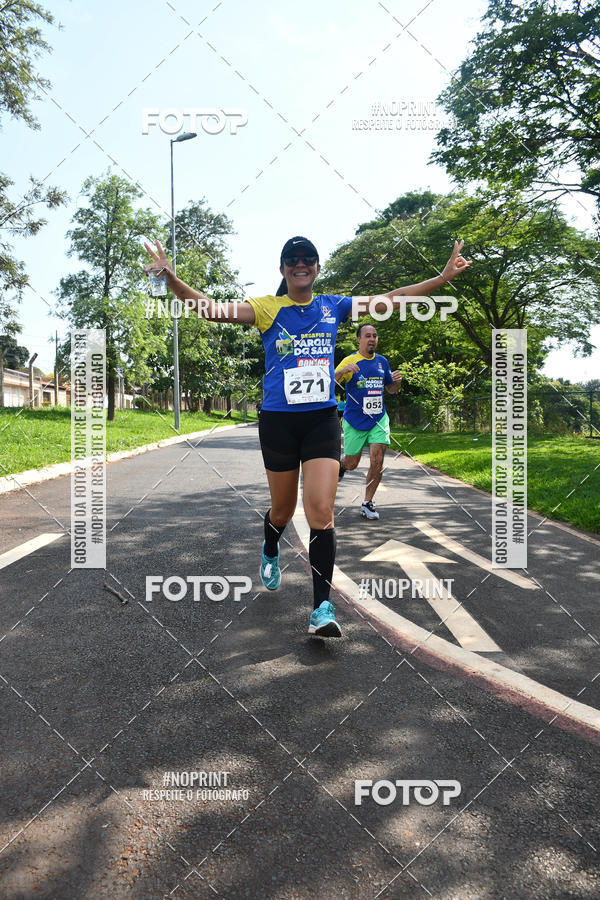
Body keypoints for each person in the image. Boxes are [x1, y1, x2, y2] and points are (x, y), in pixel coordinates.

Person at [144, 236, 471, 637]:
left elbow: (394, 298)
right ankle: (269, 547)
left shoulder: (334, 306)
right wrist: (171, 278)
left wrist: (440, 278)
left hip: (321, 420)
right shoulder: (268, 308)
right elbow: (211, 310)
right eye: (293, 260)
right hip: (279, 422)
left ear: (317, 267)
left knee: (321, 512)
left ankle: (321, 608)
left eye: (309, 259)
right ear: (283, 269)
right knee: (281, 511)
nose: (301, 265)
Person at [336, 323, 401, 520]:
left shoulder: (382, 362)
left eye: (374, 335)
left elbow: (391, 389)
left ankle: (367, 503)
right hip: (355, 419)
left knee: (377, 459)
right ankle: (341, 466)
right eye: (367, 336)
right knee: (352, 463)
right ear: (359, 339)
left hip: (378, 418)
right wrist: (343, 371)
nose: (372, 339)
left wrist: (397, 382)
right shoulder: (350, 360)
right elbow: (331, 382)